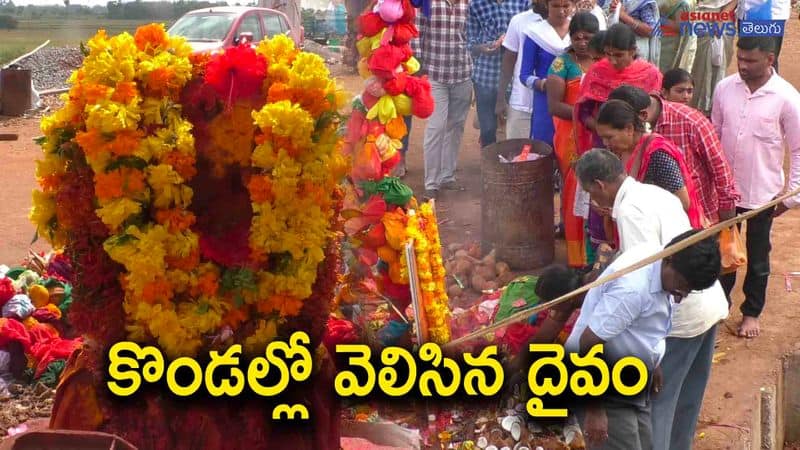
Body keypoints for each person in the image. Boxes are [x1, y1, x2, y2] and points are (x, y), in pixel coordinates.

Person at [574, 148, 729, 450]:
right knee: (675, 407)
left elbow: (646, 283)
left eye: (589, 193)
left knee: (661, 408)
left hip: (683, 322)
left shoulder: (633, 216)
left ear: (599, 186)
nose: (592, 201)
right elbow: (633, 292)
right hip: (704, 311)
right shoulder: (655, 194)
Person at [566, 230, 721, 450]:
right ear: (669, 261)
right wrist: (595, 410)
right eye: (683, 285)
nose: (681, 295)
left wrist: (653, 360)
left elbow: (643, 325)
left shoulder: (660, 258)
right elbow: (588, 343)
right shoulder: (632, 290)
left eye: (689, 291)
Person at [712, 36, 800, 338]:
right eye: (740, 59)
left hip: (764, 195)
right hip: (725, 191)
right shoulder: (724, 88)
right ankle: (718, 307)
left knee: (758, 256)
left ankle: (751, 312)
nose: (743, 66)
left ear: (770, 60)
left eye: (750, 60)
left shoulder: (787, 98)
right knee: (724, 254)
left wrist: (792, 196)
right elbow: (714, 134)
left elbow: (799, 149)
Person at [573, 23, 661, 261]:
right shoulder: (597, 71)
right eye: (609, 54)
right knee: (600, 200)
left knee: (632, 199)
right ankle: (597, 264)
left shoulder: (649, 74)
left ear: (633, 50)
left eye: (619, 55)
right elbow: (583, 113)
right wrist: (607, 133)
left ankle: (631, 256)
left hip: (637, 147)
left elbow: (654, 112)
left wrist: (629, 135)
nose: (612, 61)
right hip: (603, 148)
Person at [608, 84, 740, 225]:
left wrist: (727, 218)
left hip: (697, 220)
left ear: (642, 116)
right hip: (650, 223)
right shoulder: (624, 136)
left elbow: (719, 167)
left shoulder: (690, 121)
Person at [594, 99, 704, 229]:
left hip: (666, 237)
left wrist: (626, 207)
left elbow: (682, 203)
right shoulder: (619, 152)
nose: (605, 143)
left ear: (629, 129)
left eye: (609, 137)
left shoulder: (657, 154)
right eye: (602, 138)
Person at [546, 11, 600, 267]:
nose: (582, 42)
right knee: (573, 194)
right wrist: (588, 118)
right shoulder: (561, 64)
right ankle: (577, 259)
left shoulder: (603, 62)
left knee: (599, 192)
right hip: (572, 140)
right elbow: (554, 106)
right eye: (577, 37)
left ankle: (599, 251)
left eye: (587, 38)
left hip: (600, 138)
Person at [415, 0, 473, 200]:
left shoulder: (469, 5)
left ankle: (447, 176)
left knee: (456, 126)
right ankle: (431, 183)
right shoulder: (429, 3)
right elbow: (417, 33)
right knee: (436, 127)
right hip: (434, 74)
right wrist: (418, 66)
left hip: (463, 74)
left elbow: (474, 36)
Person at [467, 0, 530, 148]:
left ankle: (510, 165)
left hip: (515, 78)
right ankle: (489, 166)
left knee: (515, 127)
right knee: (488, 128)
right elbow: (470, 43)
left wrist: (509, 40)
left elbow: (530, 34)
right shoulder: (476, 5)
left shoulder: (522, 3)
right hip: (486, 76)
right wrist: (483, 48)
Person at [519, 0, 576, 145]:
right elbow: (524, 75)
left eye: (566, 6)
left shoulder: (578, 32)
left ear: (573, 6)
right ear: (547, 5)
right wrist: (543, 84)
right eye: (556, 6)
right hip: (546, 101)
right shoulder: (535, 34)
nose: (561, 11)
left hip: (573, 100)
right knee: (546, 146)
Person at [495, 0, 547, 140]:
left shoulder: (569, 24)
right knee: (517, 156)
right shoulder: (519, 21)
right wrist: (500, 99)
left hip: (554, 107)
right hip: (521, 103)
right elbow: (508, 63)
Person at [689, 0, 736, 115]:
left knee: (717, 63)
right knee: (696, 65)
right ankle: (695, 105)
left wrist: (721, 18)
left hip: (721, 16)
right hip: (696, 14)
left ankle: (712, 108)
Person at [736, 0, 794, 72]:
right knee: (746, 57)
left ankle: (770, 83)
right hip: (745, 12)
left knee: (767, 61)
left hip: (772, 13)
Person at [656, 0, 696, 73]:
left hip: (669, 46)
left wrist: (659, 20)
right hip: (657, 41)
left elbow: (679, 27)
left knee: (663, 73)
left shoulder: (681, 4)